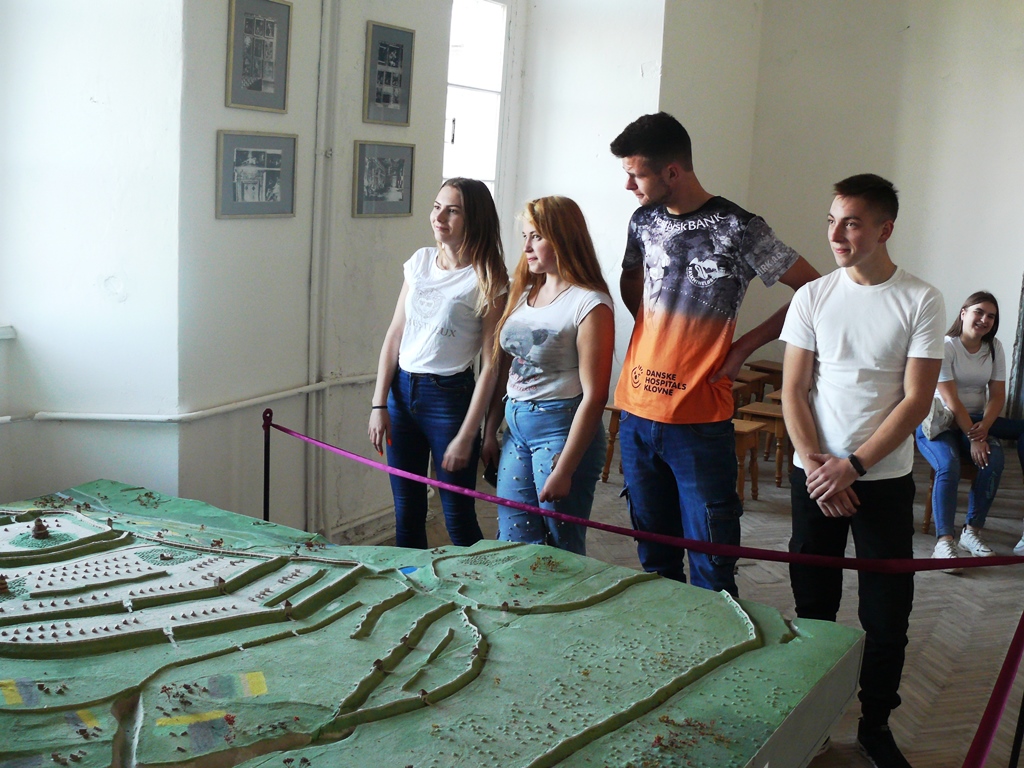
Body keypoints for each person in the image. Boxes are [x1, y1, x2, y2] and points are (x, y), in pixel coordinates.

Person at [608, 112, 820, 596]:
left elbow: (814, 290)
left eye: (636, 175)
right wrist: (656, 328)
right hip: (636, 411)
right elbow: (633, 279)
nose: (628, 186)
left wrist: (743, 347)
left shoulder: (739, 227)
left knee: (712, 567)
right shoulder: (642, 220)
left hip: (699, 419)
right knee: (654, 560)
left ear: (672, 172)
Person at [781, 174, 945, 768]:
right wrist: (821, 470)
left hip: (880, 481)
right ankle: (814, 724)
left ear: (884, 228)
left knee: (886, 613)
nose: (836, 234)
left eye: (850, 222)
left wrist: (853, 467)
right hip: (816, 478)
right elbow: (794, 390)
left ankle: (875, 725)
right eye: (832, 221)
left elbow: (916, 400)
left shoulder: (921, 299)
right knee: (813, 608)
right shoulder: (813, 296)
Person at [368, 178, 508, 549]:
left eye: (452, 210)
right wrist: (379, 404)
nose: (439, 217)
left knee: (458, 517)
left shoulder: (488, 276)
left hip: (449, 397)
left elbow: (492, 365)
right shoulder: (419, 262)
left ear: (474, 219)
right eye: (436, 207)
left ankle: (475, 581)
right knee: (407, 512)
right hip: (401, 393)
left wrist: (469, 434)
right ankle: (410, 581)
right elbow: (395, 335)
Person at [486, 196, 614, 556]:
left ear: (563, 238)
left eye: (537, 237)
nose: (526, 247)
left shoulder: (589, 302)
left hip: (560, 428)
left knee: (562, 548)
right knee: (515, 538)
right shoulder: (525, 291)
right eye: (525, 236)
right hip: (516, 426)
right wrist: (490, 430)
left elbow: (595, 396)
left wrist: (566, 468)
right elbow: (505, 366)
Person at [915, 291, 1024, 566]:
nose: (985, 319)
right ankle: (944, 541)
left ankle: (971, 531)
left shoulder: (994, 347)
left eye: (991, 316)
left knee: (993, 459)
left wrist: (984, 428)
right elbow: (950, 399)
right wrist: (975, 438)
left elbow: (997, 396)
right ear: (963, 313)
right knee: (948, 465)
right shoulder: (946, 346)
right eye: (979, 312)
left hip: (975, 421)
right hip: (940, 423)